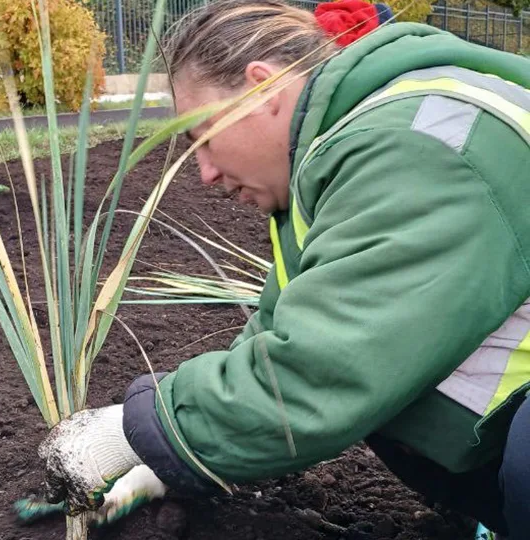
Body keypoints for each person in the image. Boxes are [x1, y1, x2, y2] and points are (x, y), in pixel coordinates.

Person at [36, 0, 530, 537]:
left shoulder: (418, 145)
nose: (204, 173)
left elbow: (328, 365)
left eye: (203, 138)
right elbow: (283, 336)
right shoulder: (348, 148)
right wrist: (165, 458)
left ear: (261, 87)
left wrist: (132, 433)